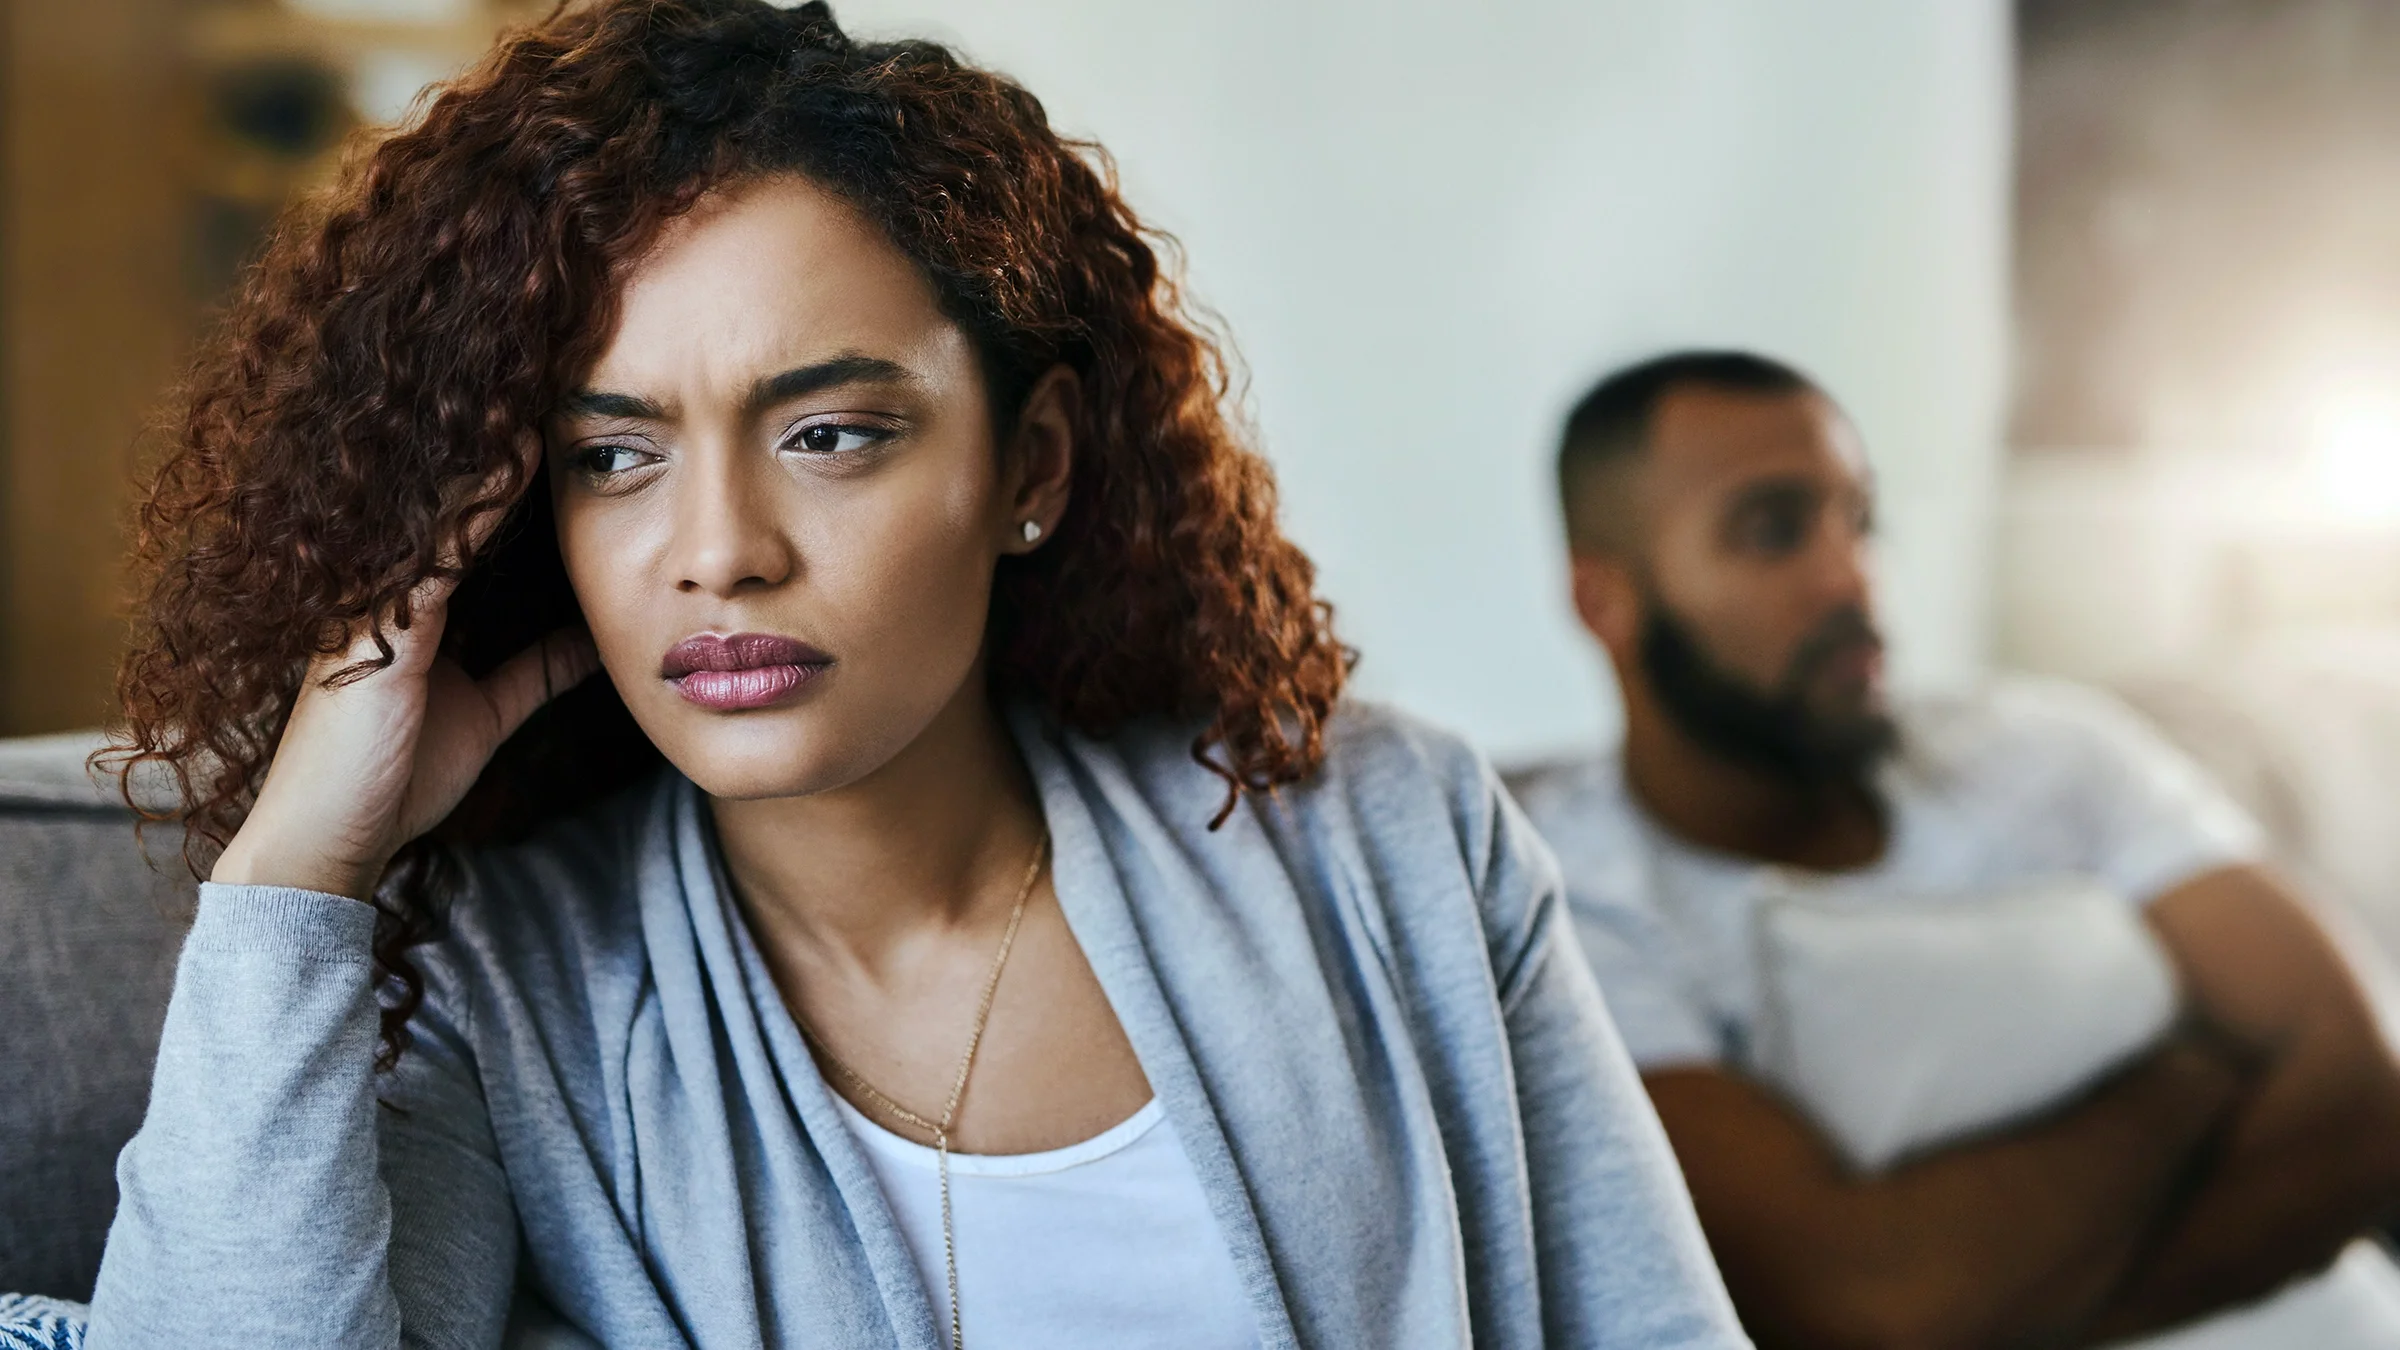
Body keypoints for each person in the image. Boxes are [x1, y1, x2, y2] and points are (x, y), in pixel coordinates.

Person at [47, 5, 1749, 1348]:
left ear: (1033, 465)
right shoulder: (495, 995)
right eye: (616, 456)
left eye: (830, 434)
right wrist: (297, 871)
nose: (719, 550)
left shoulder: (1387, 832)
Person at [1512, 349, 2400, 1348]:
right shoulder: (1572, 910)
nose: (1850, 577)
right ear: (1606, 600)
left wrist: (2024, 1307)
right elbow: (1874, 1307)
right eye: (1774, 531)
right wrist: (2190, 1074)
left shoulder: (2049, 752)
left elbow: (2365, 1092)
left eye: (1861, 520)